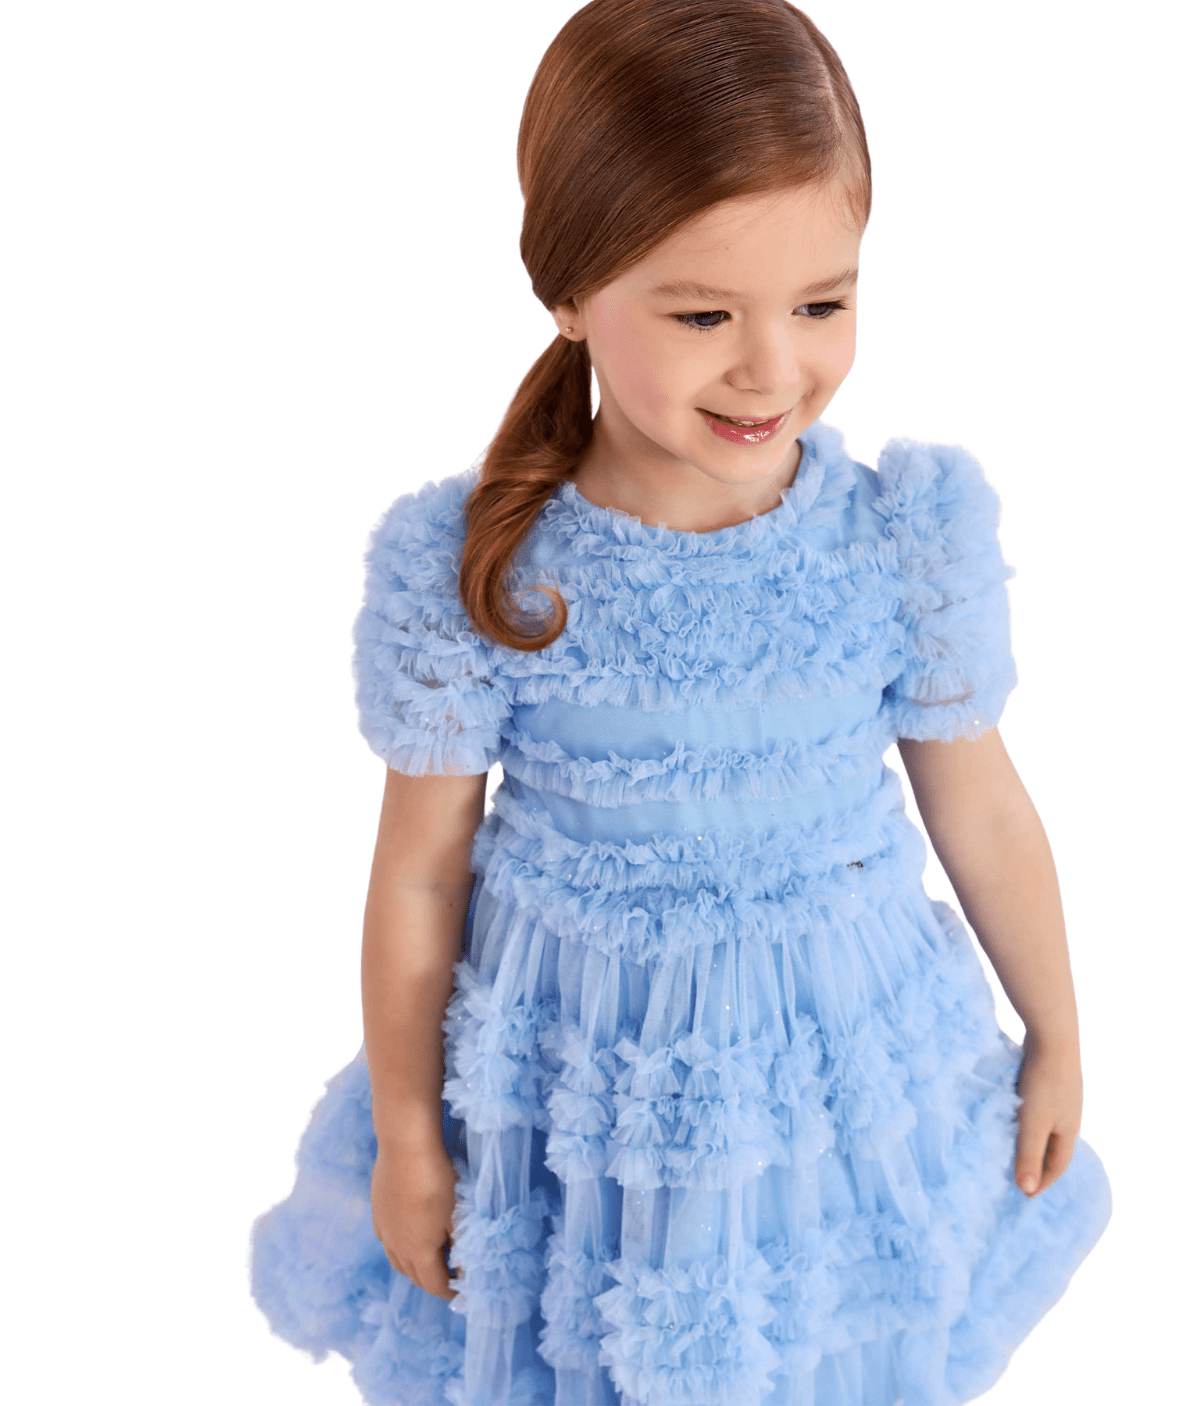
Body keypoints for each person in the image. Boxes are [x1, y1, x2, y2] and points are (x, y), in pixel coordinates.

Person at [248, 2, 1113, 1402]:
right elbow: (419, 873)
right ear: (570, 292)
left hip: (833, 1090)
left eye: (821, 304)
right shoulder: (485, 571)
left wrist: (1058, 1027)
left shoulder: (898, 538)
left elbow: (981, 803)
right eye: (704, 314)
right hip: (582, 1110)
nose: (771, 367)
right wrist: (410, 1130)